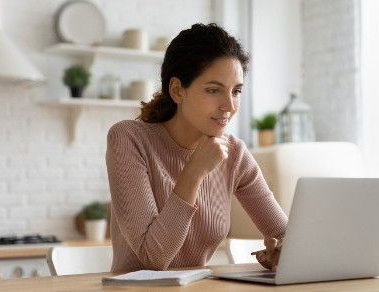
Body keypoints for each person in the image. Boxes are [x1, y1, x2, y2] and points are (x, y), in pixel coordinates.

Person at [106, 23, 288, 273]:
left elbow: (284, 233)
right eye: (214, 90)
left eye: (236, 91)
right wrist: (194, 172)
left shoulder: (234, 154)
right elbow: (154, 258)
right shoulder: (129, 139)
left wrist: (282, 253)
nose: (229, 105)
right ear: (178, 90)